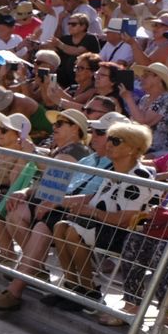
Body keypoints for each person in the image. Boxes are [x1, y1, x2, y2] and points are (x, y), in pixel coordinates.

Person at [0, 113, 115, 312]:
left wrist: (55, 200)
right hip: (63, 207)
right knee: (17, 210)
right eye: (94, 131)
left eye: (100, 133)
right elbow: (56, 184)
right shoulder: (90, 158)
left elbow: (93, 195)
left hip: (87, 215)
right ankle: (35, 275)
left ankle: (17, 288)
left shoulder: (93, 157)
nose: (93, 135)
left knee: (42, 224)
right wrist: (25, 191)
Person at [48, 122, 159, 306]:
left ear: (132, 149)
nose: (108, 144)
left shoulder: (139, 176)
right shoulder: (113, 170)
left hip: (125, 233)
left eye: (116, 141)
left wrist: (91, 211)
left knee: (74, 231)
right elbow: (97, 196)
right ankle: (72, 286)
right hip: (102, 225)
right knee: (61, 227)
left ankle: (88, 290)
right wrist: (63, 201)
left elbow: (127, 219)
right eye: (109, 139)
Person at [120, 63, 168, 156]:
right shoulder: (144, 99)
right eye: (141, 76)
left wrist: (128, 98)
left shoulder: (167, 97)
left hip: (161, 151)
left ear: (158, 78)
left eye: (146, 76)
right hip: (142, 147)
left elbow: (143, 121)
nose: (141, 79)